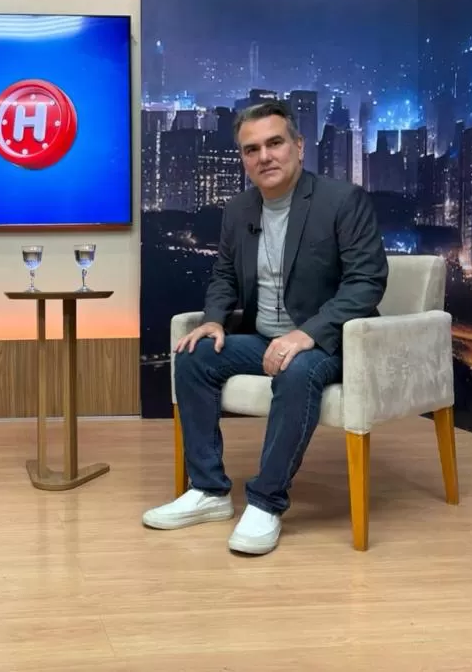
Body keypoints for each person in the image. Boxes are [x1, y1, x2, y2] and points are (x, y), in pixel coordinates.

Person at [141, 100, 388, 555]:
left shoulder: (341, 200)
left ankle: (266, 502)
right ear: (243, 158)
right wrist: (214, 321)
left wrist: (306, 334)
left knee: (297, 370)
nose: (264, 156)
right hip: (264, 337)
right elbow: (224, 274)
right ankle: (209, 491)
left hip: (331, 342)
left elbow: (366, 282)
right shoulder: (239, 209)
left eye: (275, 143)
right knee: (193, 356)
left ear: (299, 146)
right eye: (251, 149)